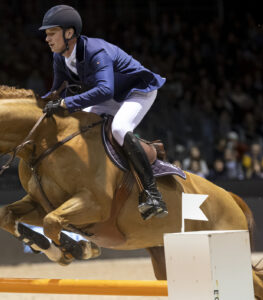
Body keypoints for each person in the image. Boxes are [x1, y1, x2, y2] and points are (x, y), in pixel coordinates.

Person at [39, 5, 167, 219]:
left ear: (69, 33)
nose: (47, 38)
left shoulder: (95, 51)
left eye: (52, 33)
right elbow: (55, 91)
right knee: (81, 125)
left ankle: (152, 194)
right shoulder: (60, 57)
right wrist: (30, 104)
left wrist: (65, 104)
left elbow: (104, 89)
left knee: (119, 128)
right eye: (46, 34)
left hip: (136, 92)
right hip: (111, 96)